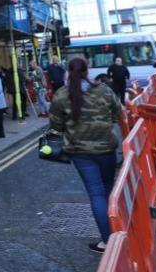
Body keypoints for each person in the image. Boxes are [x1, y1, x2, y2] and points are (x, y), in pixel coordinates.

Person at [50, 56, 123, 254]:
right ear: (87, 70)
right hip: (106, 149)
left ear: (67, 71)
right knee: (108, 191)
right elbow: (119, 113)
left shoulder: (61, 95)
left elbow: (55, 125)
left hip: (80, 152)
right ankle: (119, 230)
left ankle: (108, 241)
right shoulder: (104, 90)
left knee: (96, 194)